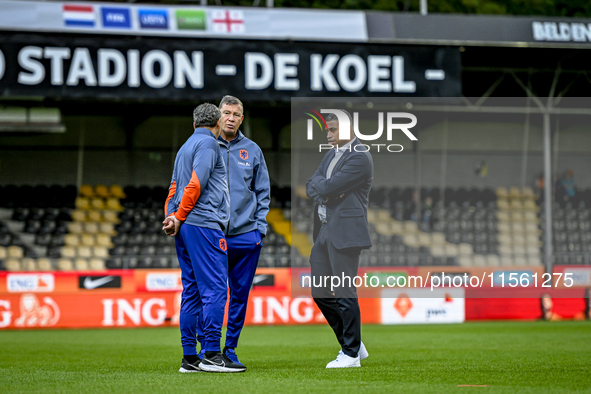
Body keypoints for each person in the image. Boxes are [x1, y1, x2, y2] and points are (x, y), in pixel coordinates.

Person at [162, 103, 245, 373]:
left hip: (185, 226)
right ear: (219, 123)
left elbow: (174, 185)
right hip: (205, 225)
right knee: (216, 290)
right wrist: (181, 215)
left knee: (193, 292)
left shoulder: (185, 147)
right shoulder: (209, 145)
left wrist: (172, 216)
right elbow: (195, 183)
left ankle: (190, 358)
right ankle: (211, 353)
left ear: (193, 123)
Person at [195, 95, 270, 368]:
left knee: (239, 295)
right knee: (212, 294)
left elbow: (263, 192)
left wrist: (259, 229)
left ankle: (231, 349)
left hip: (246, 235)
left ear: (242, 119)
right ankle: (209, 350)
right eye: (226, 113)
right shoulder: (205, 146)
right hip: (212, 233)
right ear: (218, 116)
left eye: (236, 114)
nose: (230, 118)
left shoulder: (252, 150)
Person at [306, 110, 373, 368]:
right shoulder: (330, 155)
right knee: (320, 293)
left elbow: (326, 187)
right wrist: (325, 188)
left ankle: (351, 354)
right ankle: (353, 342)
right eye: (327, 130)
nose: (328, 134)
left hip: (345, 232)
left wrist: (325, 188)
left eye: (332, 130)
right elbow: (314, 185)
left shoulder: (360, 157)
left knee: (345, 291)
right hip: (323, 229)